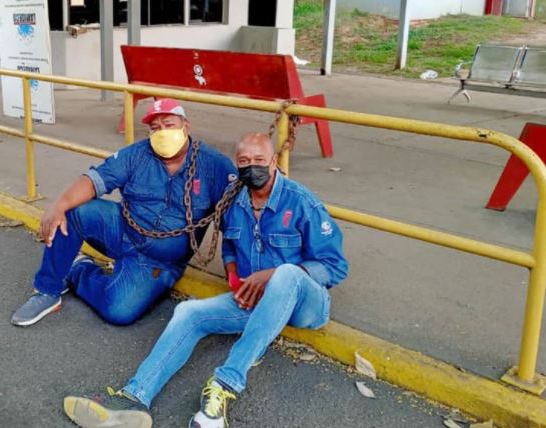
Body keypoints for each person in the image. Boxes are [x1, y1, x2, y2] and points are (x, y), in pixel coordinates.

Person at [62, 133, 349, 428]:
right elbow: (228, 246)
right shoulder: (235, 203)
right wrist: (235, 275)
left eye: (260, 161)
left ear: (274, 161)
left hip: (305, 305)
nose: (253, 167)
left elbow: (335, 267)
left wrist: (273, 276)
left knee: (287, 274)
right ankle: (133, 398)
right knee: (189, 313)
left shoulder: (301, 203)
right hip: (257, 302)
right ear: (237, 166)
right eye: (244, 162)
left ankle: (225, 386)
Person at [10, 99, 237, 327]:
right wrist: (58, 205)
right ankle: (47, 291)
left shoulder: (214, 165)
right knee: (74, 210)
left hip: (158, 261)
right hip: (122, 230)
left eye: (169, 124)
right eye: (155, 128)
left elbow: (235, 221)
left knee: (118, 311)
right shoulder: (137, 154)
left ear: (186, 127)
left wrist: (235, 270)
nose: (162, 132)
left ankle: (79, 269)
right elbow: (93, 180)